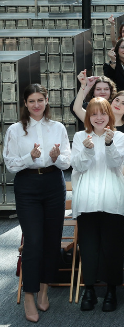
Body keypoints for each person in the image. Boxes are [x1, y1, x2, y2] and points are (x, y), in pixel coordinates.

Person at [4, 84, 71, 323]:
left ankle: (44, 289)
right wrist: (28, 157)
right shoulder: (14, 130)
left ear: (47, 100)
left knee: (52, 239)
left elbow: (66, 161)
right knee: (33, 241)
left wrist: (56, 158)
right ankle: (29, 295)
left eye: (40, 100)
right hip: (27, 185)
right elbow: (11, 165)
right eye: (31, 101)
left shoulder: (58, 127)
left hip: (54, 183)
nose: (36, 105)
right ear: (24, 103)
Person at [71, 98, 124, 312]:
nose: (98, 117)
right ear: (89, 117)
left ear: (109, 115)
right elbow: (76, 165)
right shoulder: (79, 137)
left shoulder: (119, 137)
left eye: (102, 113)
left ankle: (112, 290)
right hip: (86, 198)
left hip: (111, 197)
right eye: (94, 114)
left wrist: (109, 144)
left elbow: (117, 164)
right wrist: (86, 150)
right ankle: (89, 290)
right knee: (88, 246)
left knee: (112, 246)